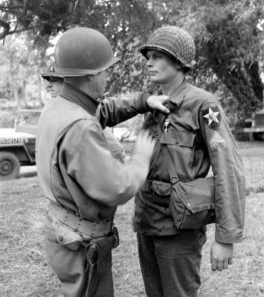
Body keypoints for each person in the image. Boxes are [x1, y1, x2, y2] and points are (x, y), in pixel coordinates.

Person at [36, 27, 169, 297]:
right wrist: (140, 159)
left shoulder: (59, 106)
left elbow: (103, 110)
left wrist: (144, 101)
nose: (107, 76)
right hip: (81, 245)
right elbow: (116, 187)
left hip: (64, 231)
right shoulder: (80, 127)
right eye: (104, 70)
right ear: (89, 75)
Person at [130, 25, 246, 297]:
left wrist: (226, 237)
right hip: (147, 222)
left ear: (179, 62)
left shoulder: (203, 105)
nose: (149, 62)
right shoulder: (152, 105)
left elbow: (228, 168)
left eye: (158, 56)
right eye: (149, 56)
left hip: (179, 230)